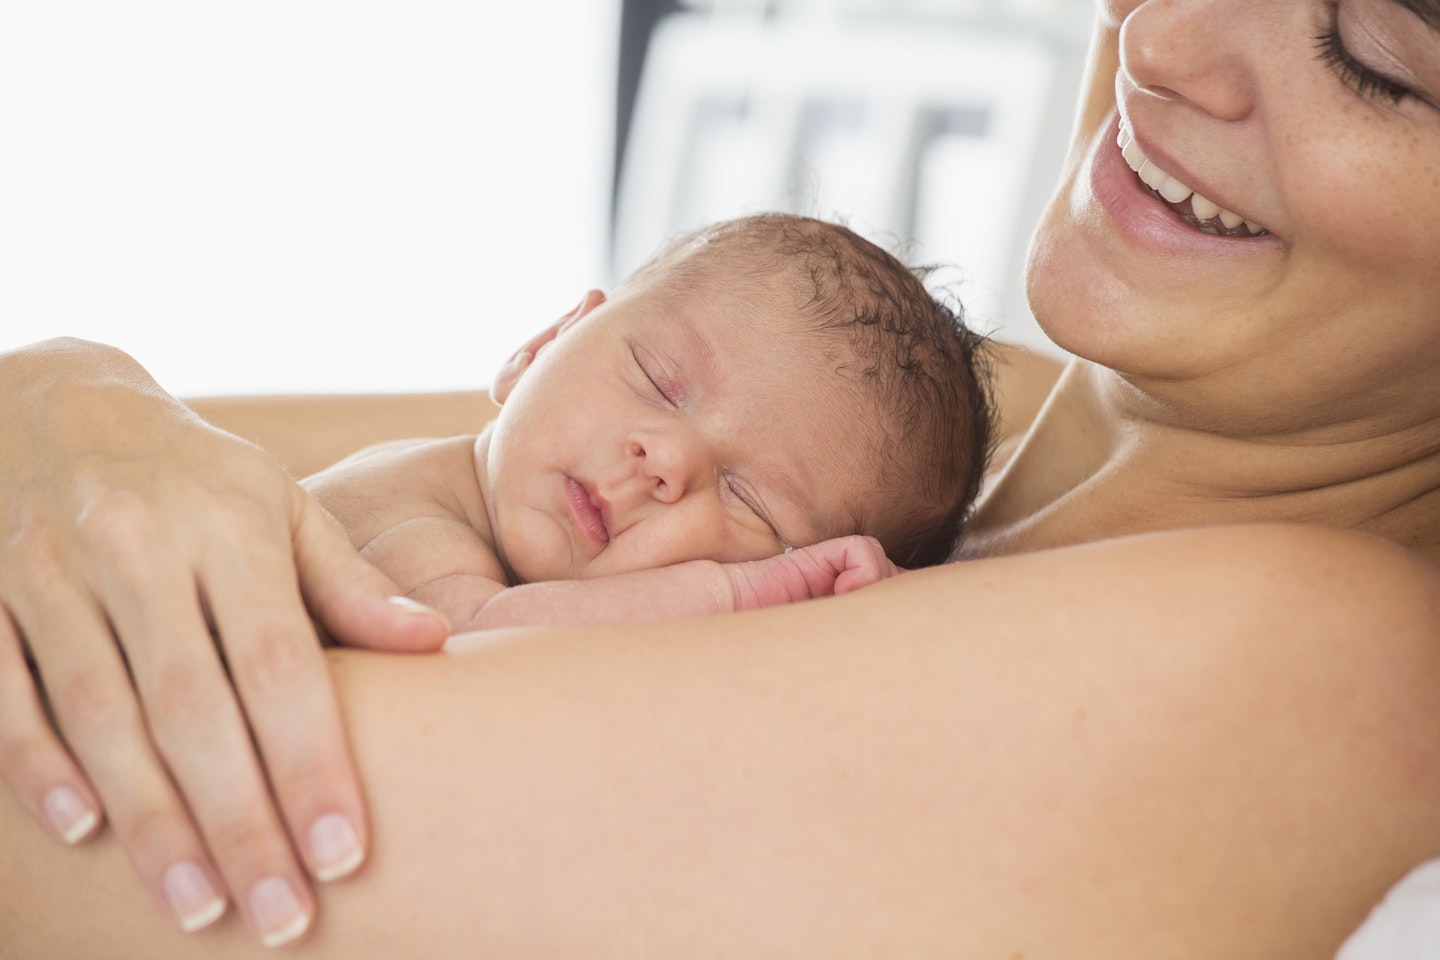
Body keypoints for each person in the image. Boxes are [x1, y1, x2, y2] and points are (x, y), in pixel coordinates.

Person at [2, 0, 1439, 956]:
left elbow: (122, 843)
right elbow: (368, 462)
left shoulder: (1321, 660)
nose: (1163, 33)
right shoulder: (903, 411)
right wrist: (71, 394)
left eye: (1379, 52)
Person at [301, 213, 993, 637]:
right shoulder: (414, 518)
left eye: (747, 499)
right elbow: (483, 642)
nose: (663, 459)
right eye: (658, 380)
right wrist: (750, 590)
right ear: (546, 340)